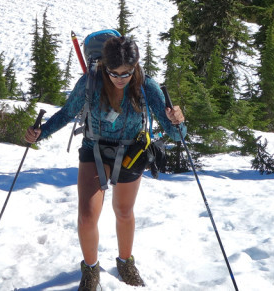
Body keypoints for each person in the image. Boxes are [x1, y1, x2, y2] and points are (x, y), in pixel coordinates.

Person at [24, 35, 186, 289]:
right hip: (94, 148)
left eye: (127, 73)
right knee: (87, 216)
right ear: (103, 66)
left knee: (123, 212)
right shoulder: (90, 82)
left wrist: (178, 120)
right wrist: (40, 133)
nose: (121, 79)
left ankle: (125, 262)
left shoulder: (147, 86)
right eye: (114, 73)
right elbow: (67, 113)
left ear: (136, 66)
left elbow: (176, 134)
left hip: (132, 151)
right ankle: (90, 269)